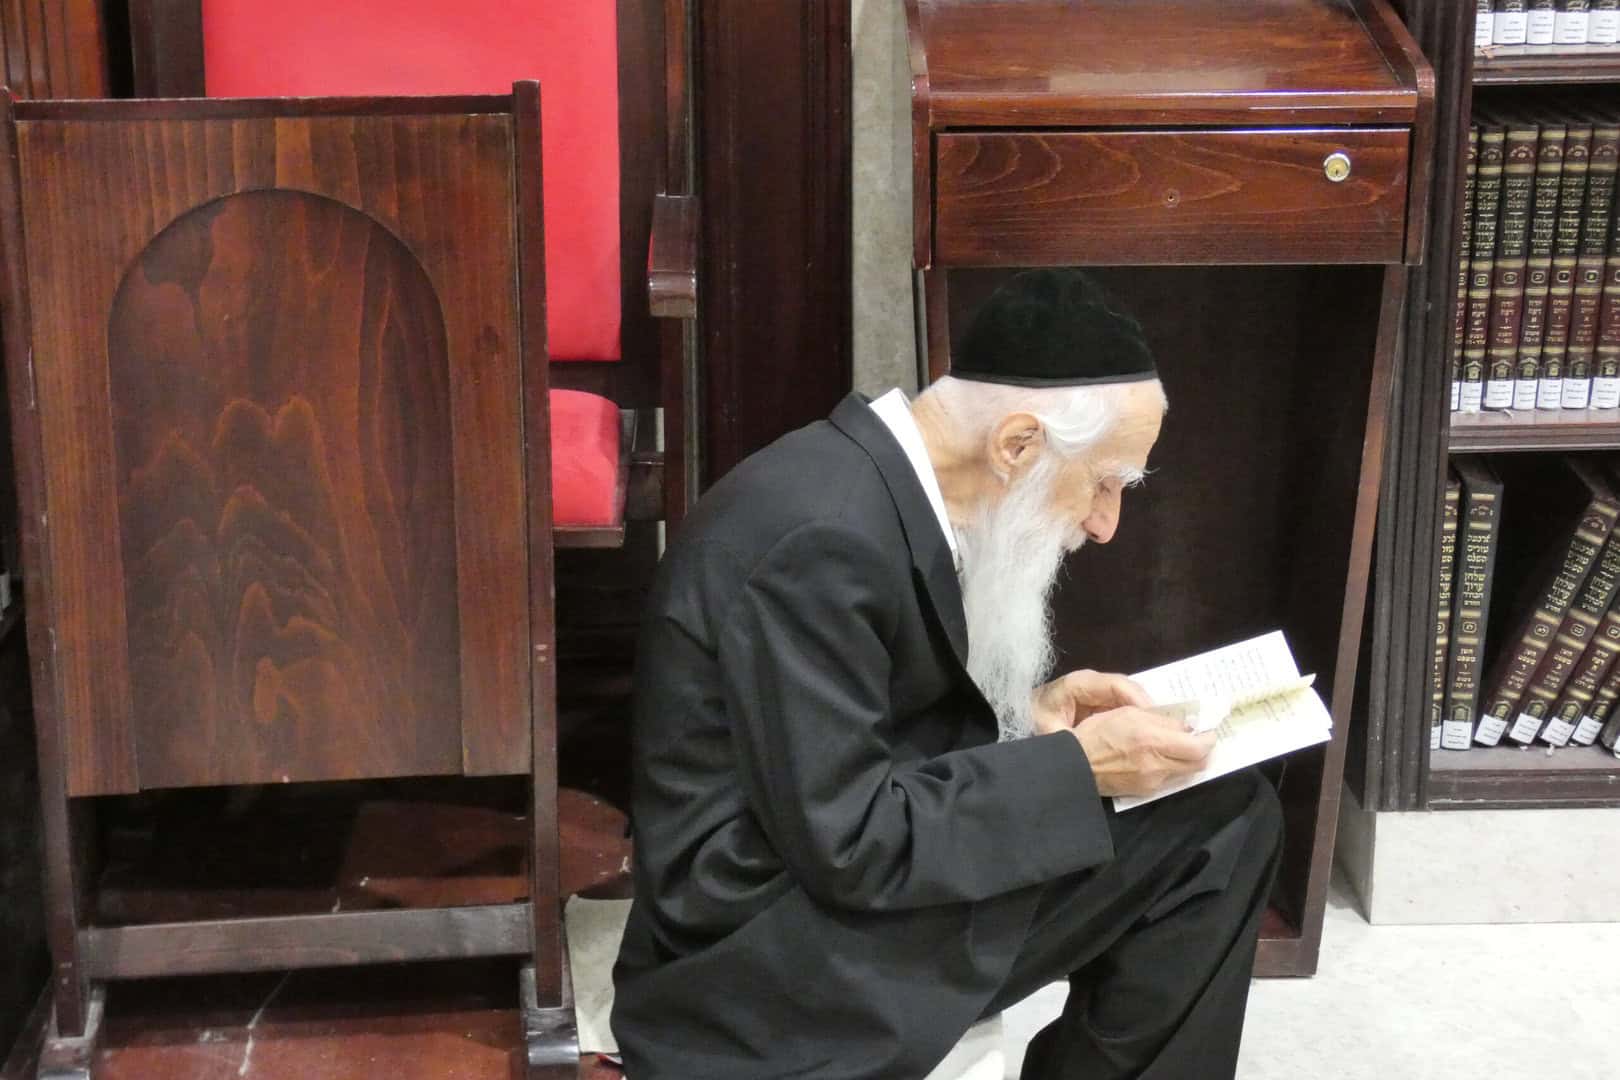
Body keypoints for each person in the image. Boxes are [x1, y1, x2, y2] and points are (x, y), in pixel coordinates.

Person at [612, 269, 1283, 1079]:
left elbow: (846, 743)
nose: (1106, 523)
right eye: (1106, 482)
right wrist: (1076, 769)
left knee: (1215, 803)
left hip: (805, 889)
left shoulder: (865, 486)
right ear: (1017, 444)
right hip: (758, 963)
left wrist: (1029, 721)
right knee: (1218, 827)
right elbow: (851, 843)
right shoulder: (820, 540)